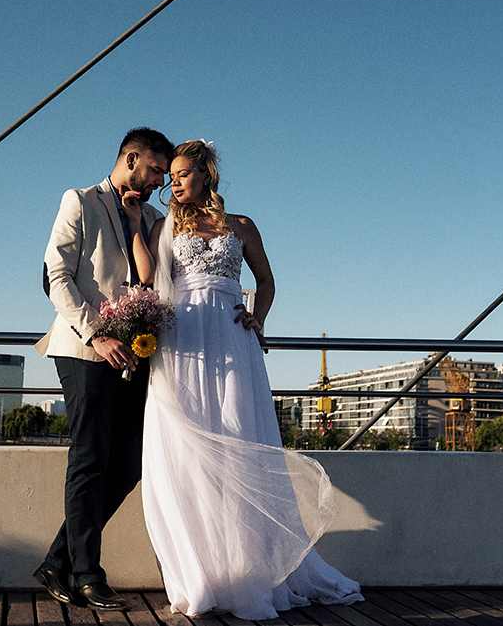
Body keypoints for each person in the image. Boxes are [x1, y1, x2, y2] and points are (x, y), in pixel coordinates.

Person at [140, 140, 364, 619]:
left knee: (238, 440)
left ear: (206, 175)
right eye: (171, 176)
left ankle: (248, 572)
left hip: (232, 341)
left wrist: (258, 319)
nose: (173, 183)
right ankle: (206, 576)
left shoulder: (241, 226)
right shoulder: (163, 227)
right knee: (191, 455)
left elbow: (267, 279)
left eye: (181, 174)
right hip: (185, 345)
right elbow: (147, 278)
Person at [33, 127, 174, 611]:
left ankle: (57, 560)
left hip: (137, 355)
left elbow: (155, 282)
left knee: (129, 463)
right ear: (131, 158)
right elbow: (55, 275)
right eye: (155, 169)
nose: (161, 179)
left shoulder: (153, 217)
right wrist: (97, 332)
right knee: (90, 459)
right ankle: (87, 573)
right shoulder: (80, 200)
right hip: (85, 349)